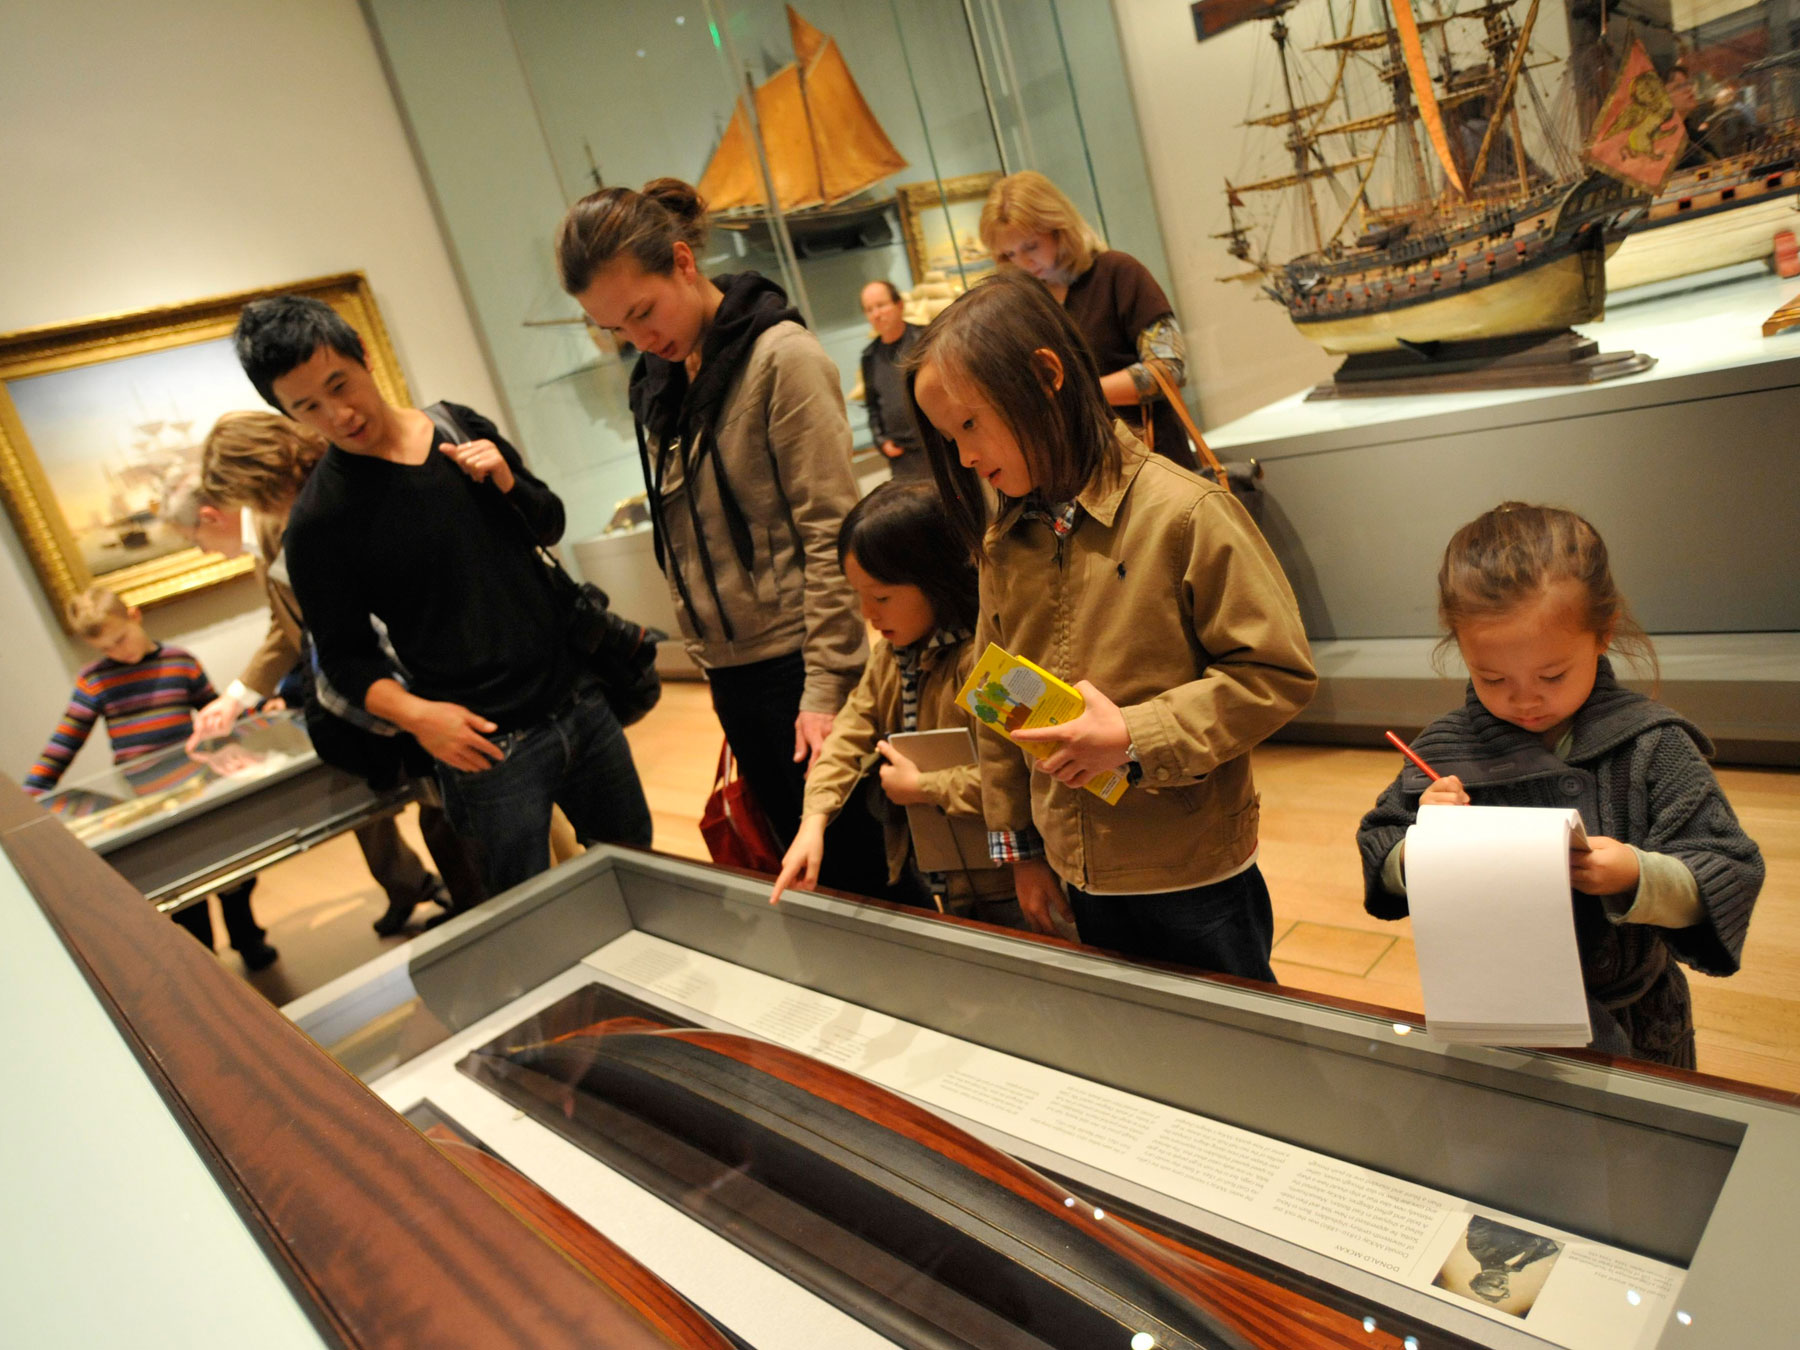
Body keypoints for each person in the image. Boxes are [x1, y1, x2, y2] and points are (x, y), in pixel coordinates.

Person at [909, 271, 1317, 977]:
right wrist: (1022, 851)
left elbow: (1275, 674)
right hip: (1076, 870)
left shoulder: (1186, 514)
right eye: (950, 439)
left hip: (1192, 868)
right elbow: (997, 705)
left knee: (1235, 1029)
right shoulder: (1006, 545)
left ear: (1047, 376)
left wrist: (1133, 736)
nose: (966, 456)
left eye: (970, 425)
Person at [233, 296, 652, 897]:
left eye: (339, 385)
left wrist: (507, 481)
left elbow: (549, 523)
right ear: (287, 413)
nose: (339, 414)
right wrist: (420, 718)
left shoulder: (456, 424)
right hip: (481, 743)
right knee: (525, 910)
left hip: (579, 698)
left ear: (364, 356)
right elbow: (344, 660)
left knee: (642, 872)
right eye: (309, 407)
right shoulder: (318, 523)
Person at [556, 176, 889, 900]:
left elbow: (832, 533)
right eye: (616, 330)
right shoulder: (662, 383)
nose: (640, 340)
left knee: (865, 877)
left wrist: (826, 686)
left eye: (643, 312)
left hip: (802, 665)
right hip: (733, 672)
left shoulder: (782, 359)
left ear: (683, 261)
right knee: (801, 879)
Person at [1356, 503, 1763, 1068]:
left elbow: (1730, 867)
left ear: (1604, 633)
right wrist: (1423, 843)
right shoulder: (1444, 749)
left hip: (1637, 1017)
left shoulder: (1652, 745)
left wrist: (1637, 875)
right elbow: (1380, 844)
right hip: (1495, 1012)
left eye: (1552, 675)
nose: (1525, 699)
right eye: (1491, 677)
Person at [190, 412, 488, 932]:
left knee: (463, 811)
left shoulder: (321, 505)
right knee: (443, 808)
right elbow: (296, 626)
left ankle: (493, 912)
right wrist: (242, 693)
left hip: (416, 673)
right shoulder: (280, 523)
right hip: (378, 683)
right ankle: (471, 911)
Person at [770, 482, 1022, 927]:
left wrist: (925, 787)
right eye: (859, 595)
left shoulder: (989, 661)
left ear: (935, 578)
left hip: (1013, 880)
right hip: (951, 876)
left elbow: (1025, 776)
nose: (868, 612)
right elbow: (850, 730)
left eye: (882, 597)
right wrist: (814, 819)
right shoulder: (892, 655)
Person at [25, 585, 278, 970]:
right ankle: (204, 963)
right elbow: (63, 745)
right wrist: (26, 796)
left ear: (135, 616)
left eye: (121, 638)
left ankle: (248, 938)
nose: (119, 652)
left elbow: (214, 714)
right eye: (105, 648)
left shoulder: (180, 663)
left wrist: (259, 712)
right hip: (148, 802)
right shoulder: (95, 680)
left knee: (235, 874)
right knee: (186, 893)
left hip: (197, 787)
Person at [979, 171, 1197, 472]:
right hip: (1077, 470)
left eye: (1031, 246)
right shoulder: (1021, 306)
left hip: (1152, 462)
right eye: (1009, 254)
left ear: (1059, 229)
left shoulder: (1117, 273)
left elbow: (1169, 369)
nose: (1023, 263)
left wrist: (1078, 394)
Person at [858, 280, 929, 482]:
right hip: (902, 457)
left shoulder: (925, 338)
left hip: (937, 446)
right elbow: (872, 406)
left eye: (881, 305)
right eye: (869, 309)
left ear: (899, 305)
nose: (876, 314)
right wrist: (881, 440)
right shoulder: (869, 357)